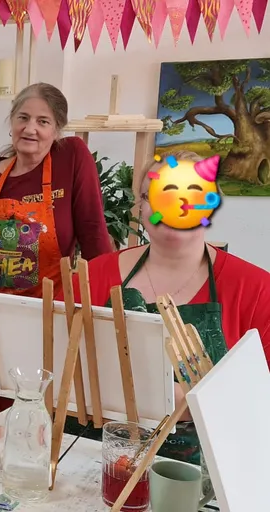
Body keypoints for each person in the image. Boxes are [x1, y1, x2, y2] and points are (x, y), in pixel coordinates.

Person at [60, 150, 270, 464]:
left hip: (198, 476)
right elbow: (55, 370)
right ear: (141, 205)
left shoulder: (257, 290)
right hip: (87, 460)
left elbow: (260, 400)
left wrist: (193, 399)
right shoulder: (91, 278)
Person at [0, 83, 114, 415]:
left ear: (57, 130)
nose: (31, 128)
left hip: (41, 325)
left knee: (33, 417)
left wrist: (109, 307)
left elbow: (94, 235)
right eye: (23, 118)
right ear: (11, 122)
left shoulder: (72, 158)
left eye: (43, 121)